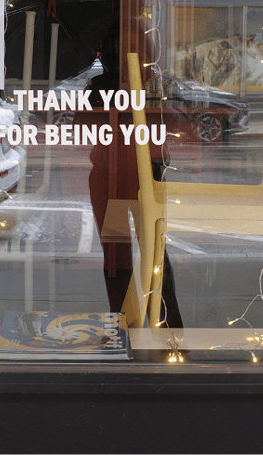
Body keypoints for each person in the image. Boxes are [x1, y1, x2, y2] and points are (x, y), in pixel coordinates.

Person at [87, 18, 183, 327]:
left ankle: (170, 332)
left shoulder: (160, 84)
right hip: (108, 179)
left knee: (156, 256)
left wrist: (149, 96)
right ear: (111, 50)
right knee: (115, 259)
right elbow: (84, 127)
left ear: (147, 49)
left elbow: (176, 126)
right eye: (121, 46)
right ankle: (123, 328)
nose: (129, 52)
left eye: (136, 47)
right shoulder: (99, 85)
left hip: (148, 180)